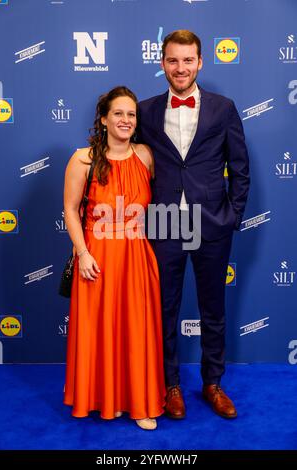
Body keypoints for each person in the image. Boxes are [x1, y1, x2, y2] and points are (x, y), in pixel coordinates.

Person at [138, 30, 250, 419]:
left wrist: (231, 215)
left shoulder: (223, 108)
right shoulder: (145, 110)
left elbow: (240, 167)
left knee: (213, 309)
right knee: (163, 309)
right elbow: (127, 159)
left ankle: (213, 383)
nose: (180, 68)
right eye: (173, 60)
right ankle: (169, 385)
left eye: (188, 60)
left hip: (211, 223)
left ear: (200, 62)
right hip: (164, 222)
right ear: (162, 63)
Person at [63, 86, 166, 430]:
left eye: (131, 114)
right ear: (104, 119)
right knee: (102, 331)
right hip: (98, 257)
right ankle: (108, 398)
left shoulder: (146, 156)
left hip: (136, 255)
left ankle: (137, 402)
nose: (125, 120)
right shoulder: (83, 159)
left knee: (135, 332)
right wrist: (83, 253)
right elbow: (71, 209)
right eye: (118, 113)